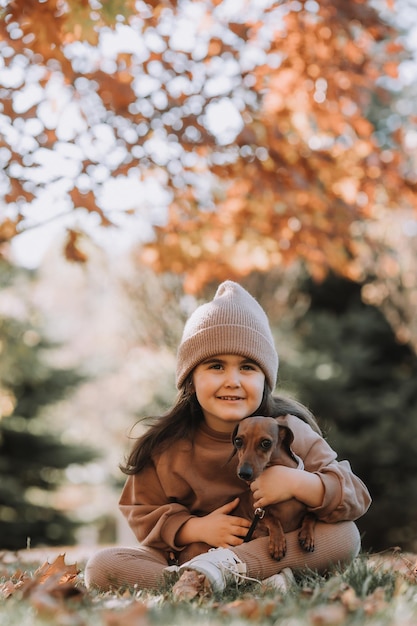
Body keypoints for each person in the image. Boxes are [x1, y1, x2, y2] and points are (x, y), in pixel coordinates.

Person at [84, 280, 371, 596]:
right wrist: (194, 527)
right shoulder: (169, 445)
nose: (232, 381)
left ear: (265, 379)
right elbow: (140, 510)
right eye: (216, 366)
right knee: (101, 566)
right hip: (190, 553)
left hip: (271, 548)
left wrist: (298, 483)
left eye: (247, 367)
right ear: (191, 378)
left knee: (345, 535)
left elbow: (355, 496)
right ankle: (201, 580)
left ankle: (220, 574)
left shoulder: (288, 430)